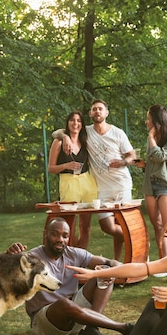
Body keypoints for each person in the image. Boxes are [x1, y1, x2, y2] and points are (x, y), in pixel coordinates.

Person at [6, 217, 133, 335]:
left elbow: (109, 263)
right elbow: (7, 278)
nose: (60, 239)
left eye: (65, 236)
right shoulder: (31, 258)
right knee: (64, 303)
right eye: (55, 234)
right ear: (45, 235)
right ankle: (123, 328)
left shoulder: (72, 253)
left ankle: (91, 329)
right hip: (47, 323)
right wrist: (10, 258)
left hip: (75, 315)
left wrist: (115, 268)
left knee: (105, 272)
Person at [54, 99, 136, 260]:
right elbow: (57, 132)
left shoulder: (117, 132)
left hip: (121, 185)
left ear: (106, 113)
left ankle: (118, 261)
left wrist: (124, 162)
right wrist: (65, 137)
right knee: (107, 226)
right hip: (101, 188)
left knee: (121, 226)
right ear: (91, 114)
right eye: (94, 109)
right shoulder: (86, 132)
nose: (97, 111)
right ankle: (134, 240)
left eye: (100, 109)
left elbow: (133, 155)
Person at [135, 104, 167, 259]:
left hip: (165, 186)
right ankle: (164, 261)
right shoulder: (154, 139)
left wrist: (150, 138)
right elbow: (155, 162)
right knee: (158, 225)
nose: (146, 122)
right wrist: (144, 165)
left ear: (157, 121)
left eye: (148, 119)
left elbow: (161, 156)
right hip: (150, 186)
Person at [48, 111, 97, 249]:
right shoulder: (58, 142)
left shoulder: (85, 140)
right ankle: (71, 256)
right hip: (68, 182)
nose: (75, 123)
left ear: (82, 124)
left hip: (87, 182)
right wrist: (65, 166)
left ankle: (82, 258)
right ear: (67, 123)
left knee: (85, 225)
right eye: (72, 120)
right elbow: (50, 168)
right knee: (68, 225)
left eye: (78, 121)